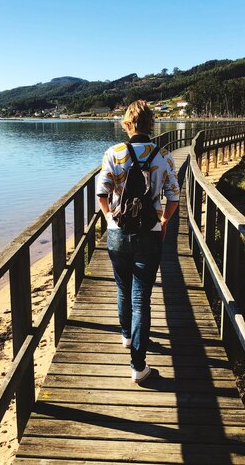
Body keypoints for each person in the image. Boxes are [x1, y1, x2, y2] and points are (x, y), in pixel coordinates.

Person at [96, 100, 180, 384]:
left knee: (122, 286)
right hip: (150, 233)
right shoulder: (163, 155)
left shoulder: (114, 153)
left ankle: (125, 336)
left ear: (127, 125)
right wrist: (165, 221)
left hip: (118, 233)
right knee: (141, 297)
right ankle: (138, 366)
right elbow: (175, 195)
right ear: (151, 124)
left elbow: (102, 193)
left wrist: (110, 219)